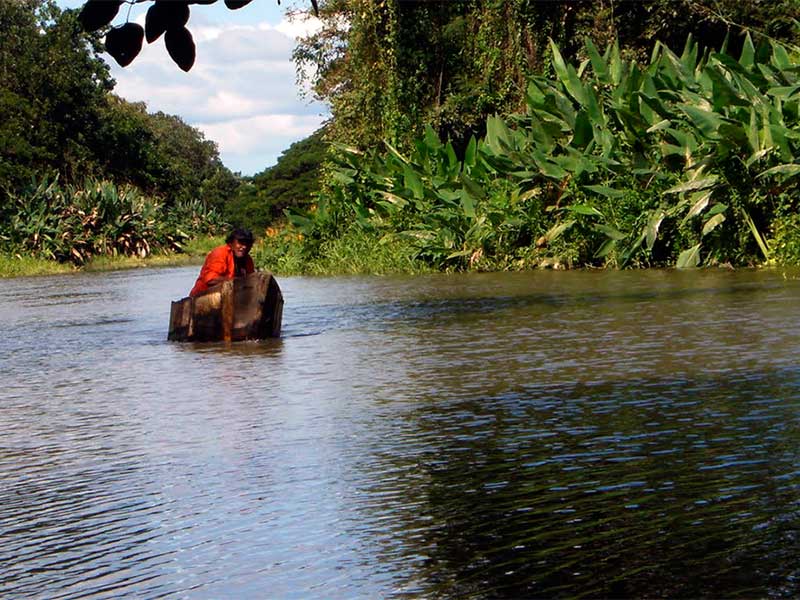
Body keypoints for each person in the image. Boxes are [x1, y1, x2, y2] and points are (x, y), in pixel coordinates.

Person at [189, 228, 256, 297]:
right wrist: (238, 282)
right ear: (231, 242)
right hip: (202, 298)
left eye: (248, 243)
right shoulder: (220, 253)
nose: (244, 247)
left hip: (228, 298)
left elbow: (251, 280)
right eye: (241, 242)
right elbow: (210, 280)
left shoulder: (248, 259)